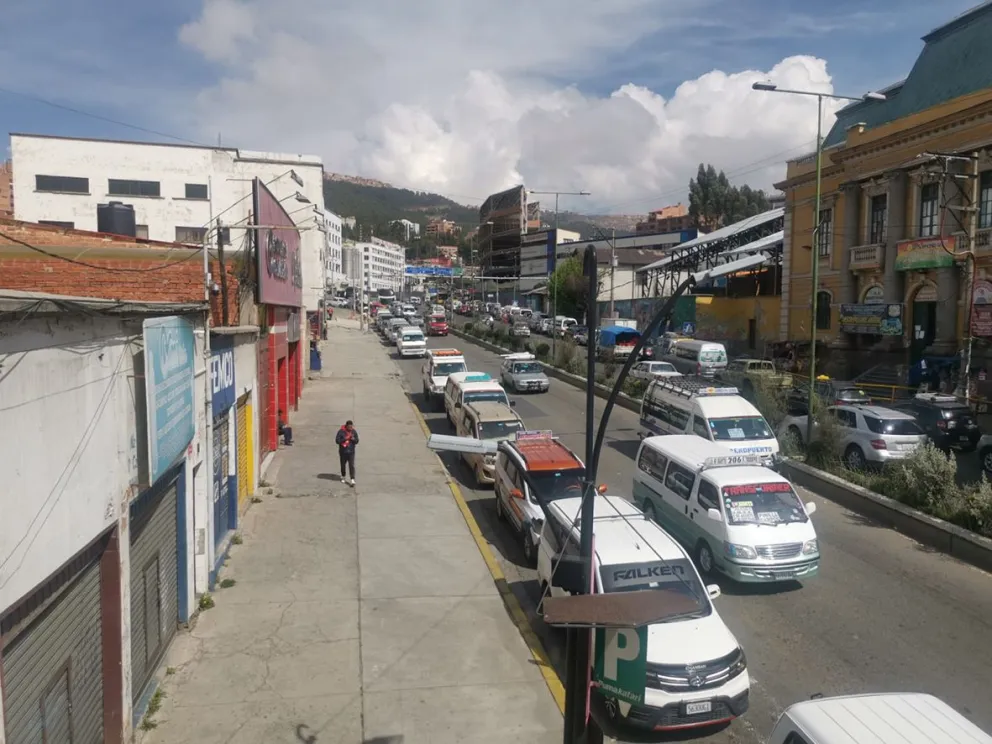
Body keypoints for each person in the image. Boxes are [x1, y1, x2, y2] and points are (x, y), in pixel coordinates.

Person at [336, 419, 359, 485]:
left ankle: (352, 479)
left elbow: (357, 441)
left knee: (351, 465)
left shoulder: (353, 432)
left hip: (351, 452)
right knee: (343, 465)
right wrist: (345, 439)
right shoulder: (341, 432)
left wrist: (353, 439)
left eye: (351, 427)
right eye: (349, 427)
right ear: (346, 426)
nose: (350, 428)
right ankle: (343, 476)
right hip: (343, 452)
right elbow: (337, 441)